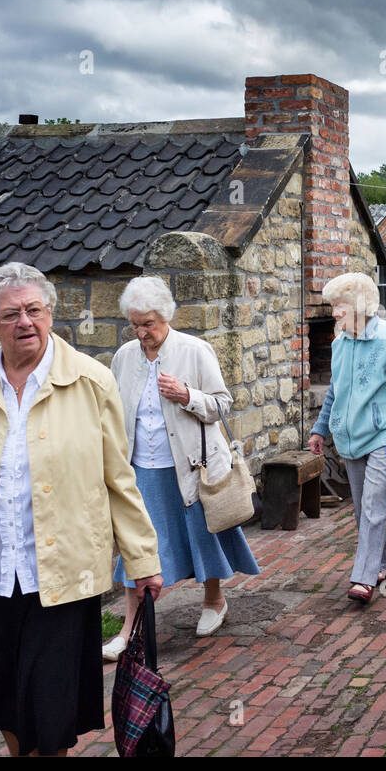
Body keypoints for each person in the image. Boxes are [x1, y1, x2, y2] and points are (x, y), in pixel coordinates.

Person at [0, 262, 163, 757]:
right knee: (3, 704)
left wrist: (143, 561)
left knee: (51, 712)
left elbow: (118, 480)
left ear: (51, 313)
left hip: (61, 580)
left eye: (34, 310)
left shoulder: (91, 382)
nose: (25, 322)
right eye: (11, 314)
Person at [103, 276, 260, 657]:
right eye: (135, 324)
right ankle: (130, 629)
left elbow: (223, 404)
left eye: (149, 324)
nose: (142, 333)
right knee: (134, 547)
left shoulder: (194, 350)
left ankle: (213, 601)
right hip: (141, 467)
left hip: (190, 466)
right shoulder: (124, 357)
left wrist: (187, 396)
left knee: (200, 537)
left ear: (166, 316)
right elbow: (111, 411)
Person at [308, 272, 386, 605]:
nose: (334, 313)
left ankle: (364, 578)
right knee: (363, 511)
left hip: (384, 435)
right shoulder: (339, 343)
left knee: (374, 508)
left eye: (339, 305)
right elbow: (334, 390)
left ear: (358, 305)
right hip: (350, 437)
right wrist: (320, 429)